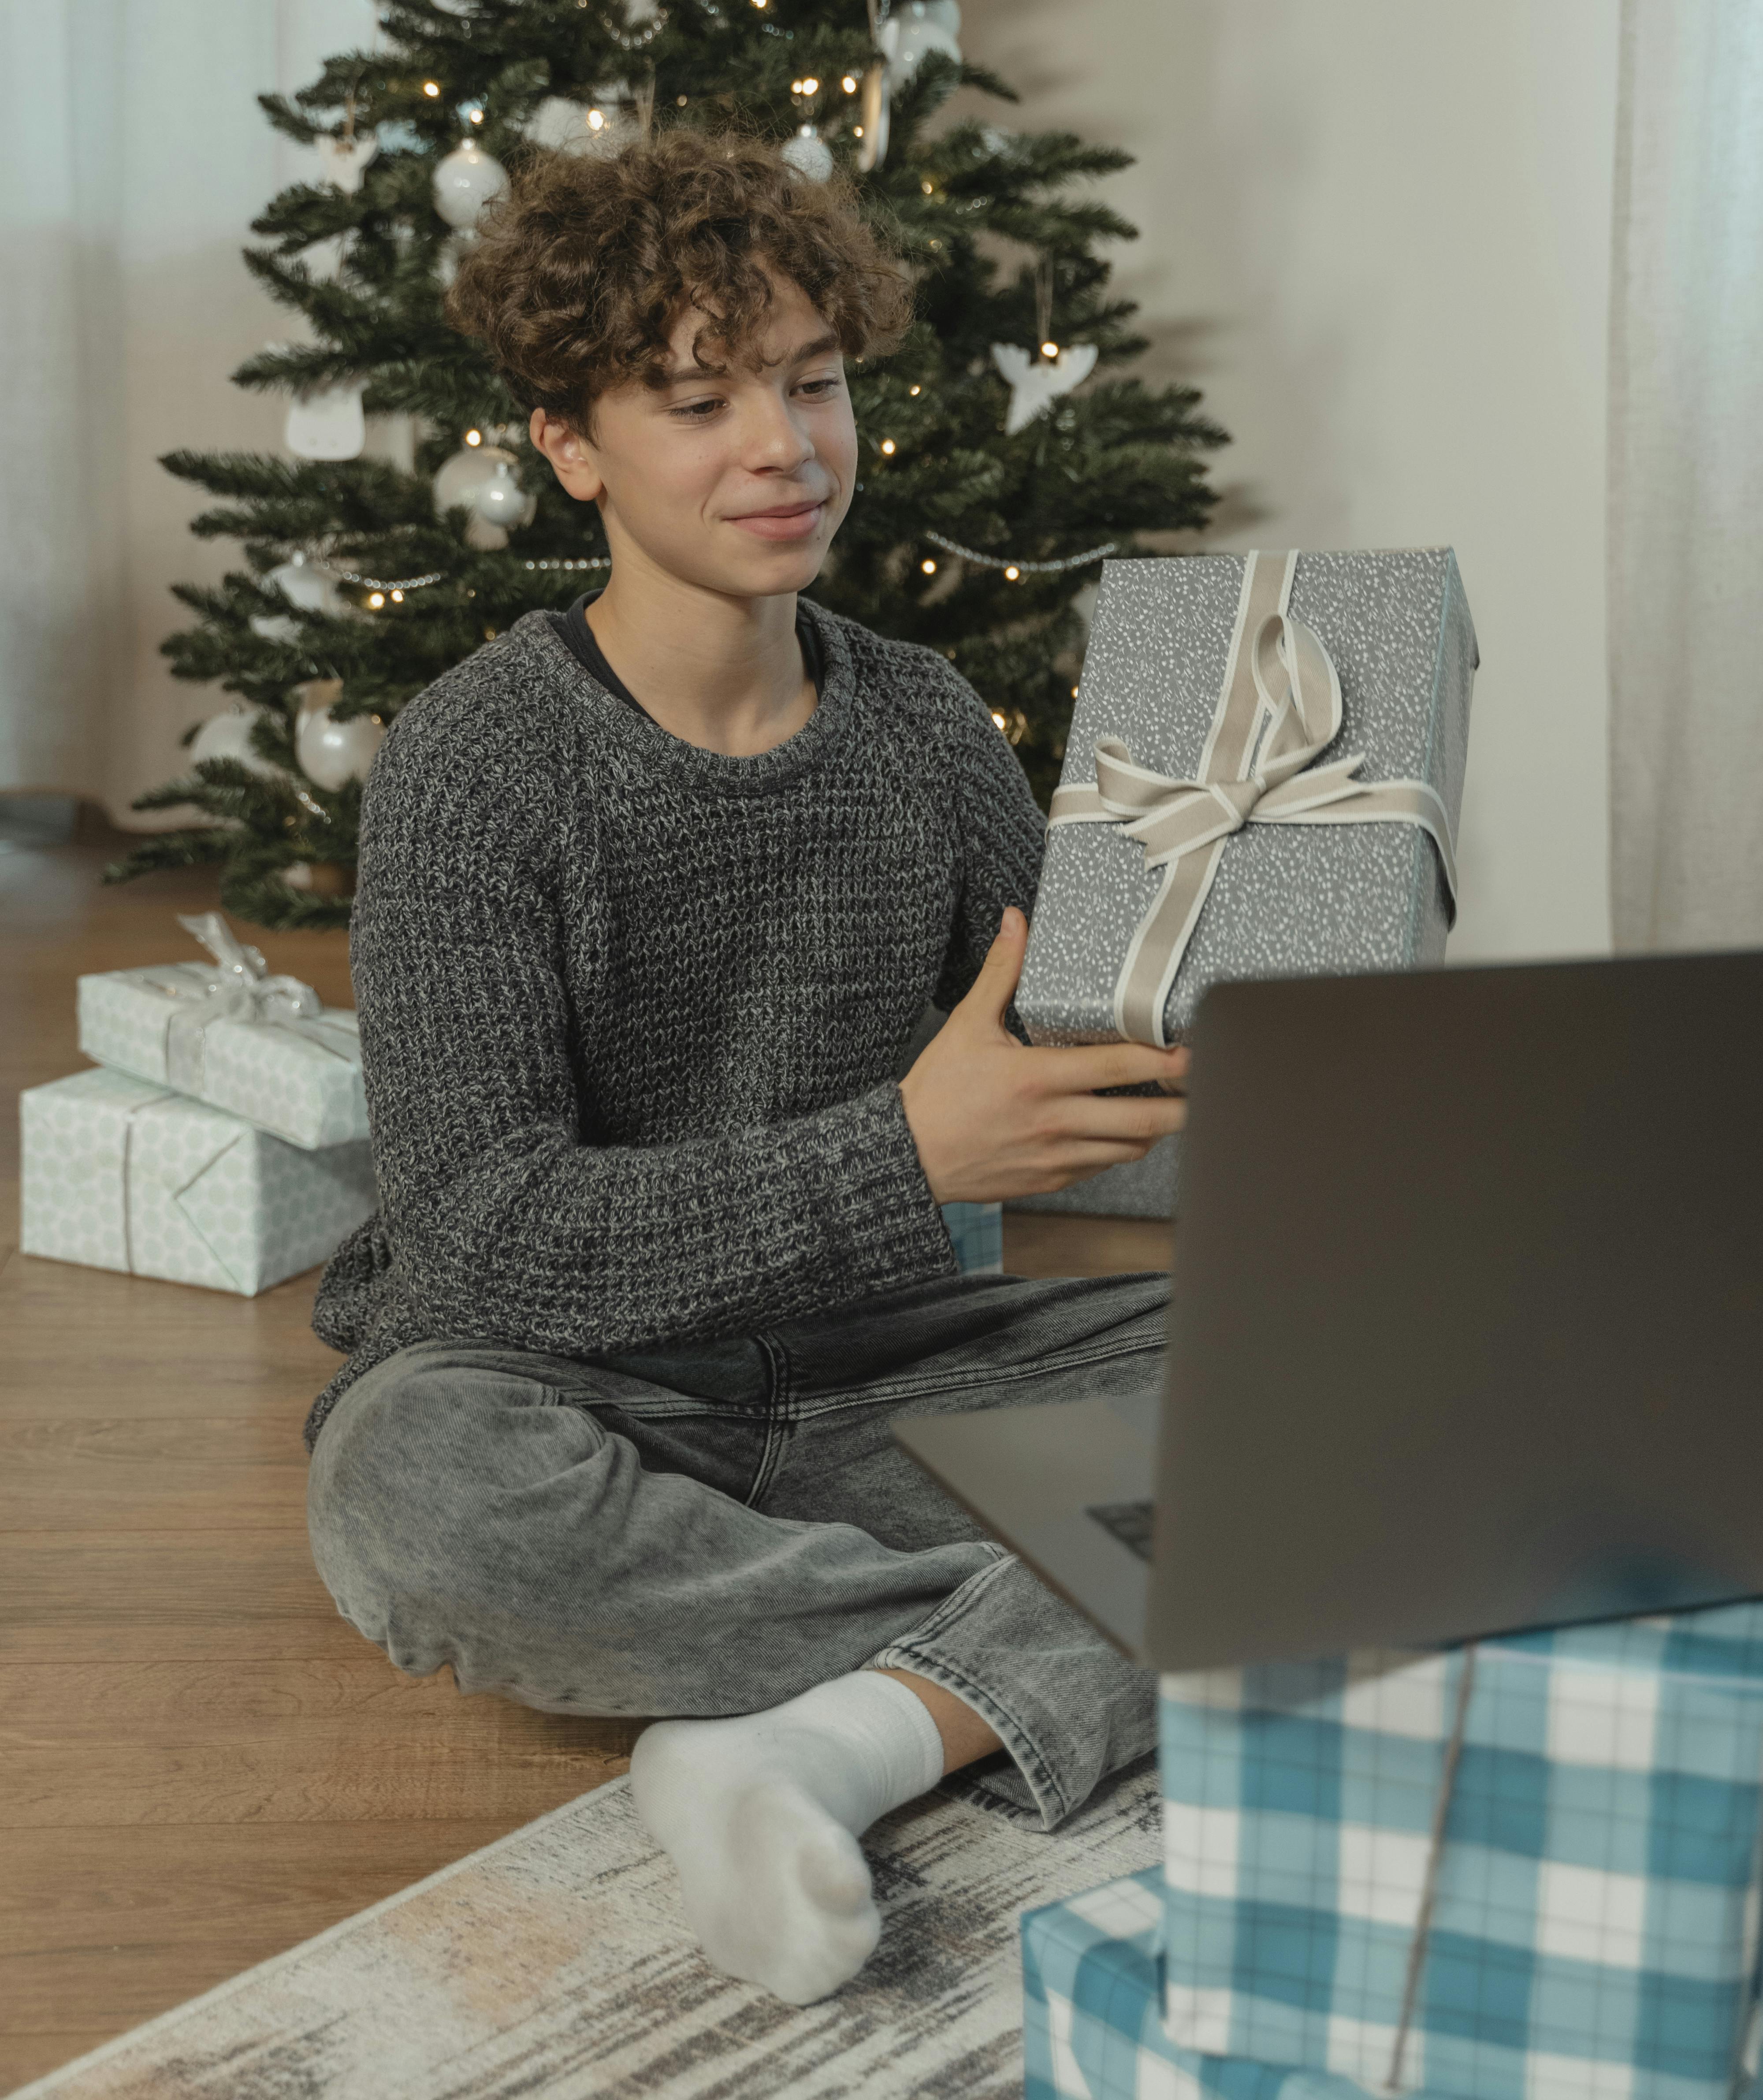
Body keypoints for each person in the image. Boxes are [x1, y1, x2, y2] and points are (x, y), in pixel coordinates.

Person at [304, 132, 1187, 2005]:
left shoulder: (928, 727)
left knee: (1328, 1383)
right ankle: (997, 1665)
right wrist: (904, 1153)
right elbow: (475, 1235)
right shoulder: (475, 766)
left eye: (813, 382)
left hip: (887, 1370)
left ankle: (818, 1733)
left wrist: (1268, 1054)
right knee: (415, 1483)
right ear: (569, 443)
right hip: (578, 1393)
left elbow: (1076, 1100)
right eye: (697, 401)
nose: (783, 447)